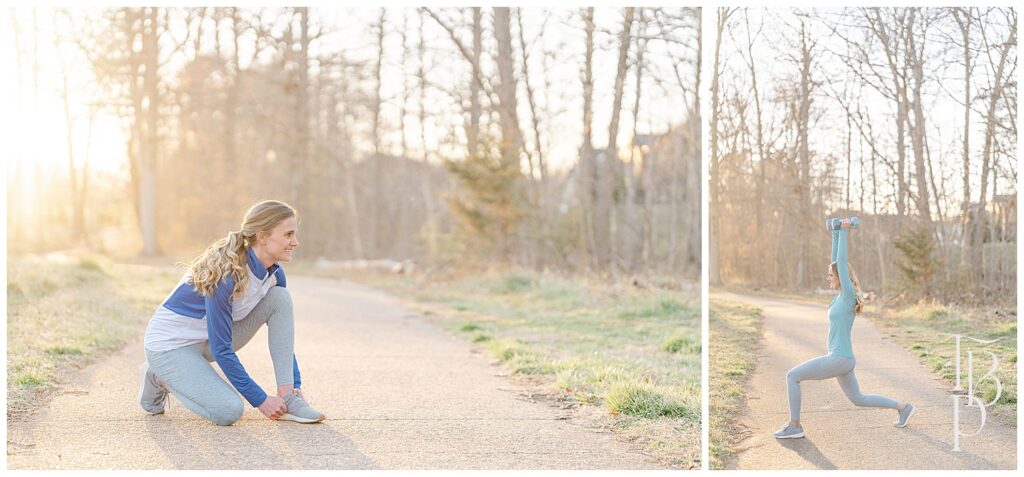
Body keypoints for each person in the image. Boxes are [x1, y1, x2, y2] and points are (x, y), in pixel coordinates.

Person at [138, 200, 324, 425]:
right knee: (229, 411)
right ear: (263, 237)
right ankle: (160, 376)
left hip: (205, 339)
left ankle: (289, 397)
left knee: (280, 298)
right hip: (169, 347)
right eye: (288, 234)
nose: (295, 242)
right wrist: (261, 400)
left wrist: (294, 384)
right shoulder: (227, 275)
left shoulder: (274, 274)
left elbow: (284, 338)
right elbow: (222, 348)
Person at [774, 218, 914, 439]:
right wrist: (836, 232)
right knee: (859, 399)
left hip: (839, 358)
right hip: (843, 359)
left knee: (792, 376)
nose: (828, 278)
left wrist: (846, 231)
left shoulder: (848, 295)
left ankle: (795, 425)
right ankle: (903, 407)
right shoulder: (840, 296)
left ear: (840, 278)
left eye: (831, 275)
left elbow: (840, 260)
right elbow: (835, 261)